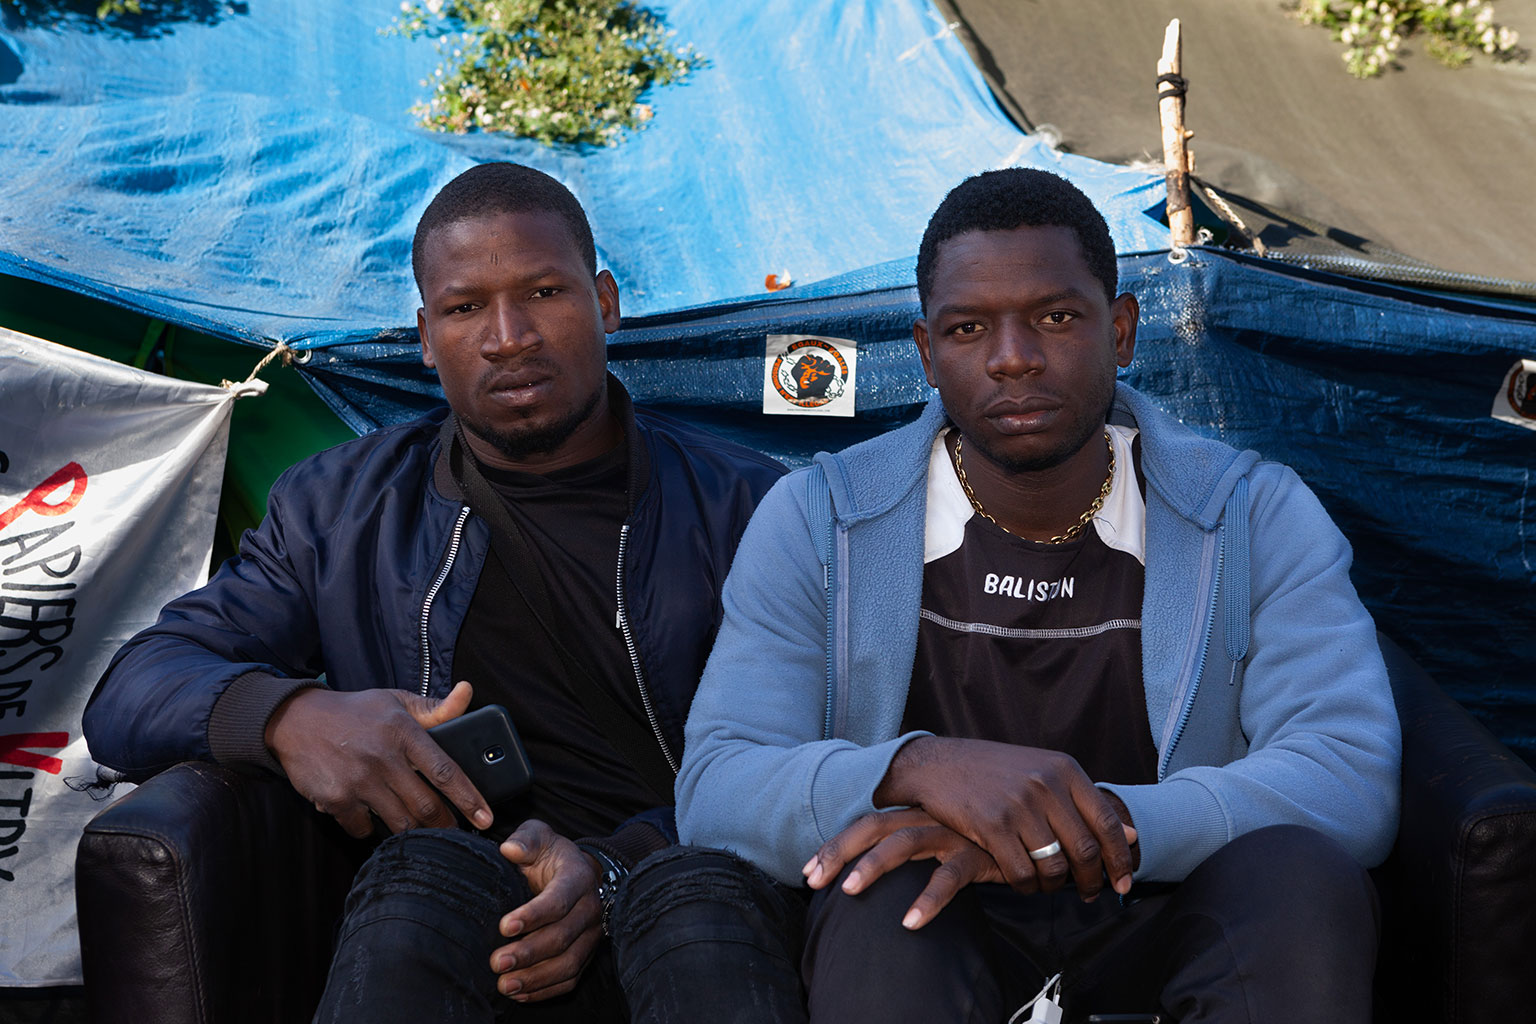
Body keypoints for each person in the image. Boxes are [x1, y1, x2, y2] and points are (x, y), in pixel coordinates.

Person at [615, 169, 1402, 1023]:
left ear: (1122, 331)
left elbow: (1348, 776)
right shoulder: (819, 518)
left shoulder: (1251, 512)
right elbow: (720, 788)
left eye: (1056, 317)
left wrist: (1088, 823)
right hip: (932, 925)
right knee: (880, 889)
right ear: (927, 354)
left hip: (1163, 909)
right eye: (968, 328)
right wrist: (914, 769)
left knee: (1299, 874)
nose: (1013, 357)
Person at [82, 162, 784, 1022]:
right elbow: (131, 689)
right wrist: (289, 717)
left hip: (680, 887)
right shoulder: (337, 509)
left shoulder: (755, 508)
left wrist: (614, 866)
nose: (508, 338)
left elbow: (814, 750)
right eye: (464, 308)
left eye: (543, 293)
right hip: (446, 906)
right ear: (424, 336)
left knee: (696, 898)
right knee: (424, 873)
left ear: (604, 303)